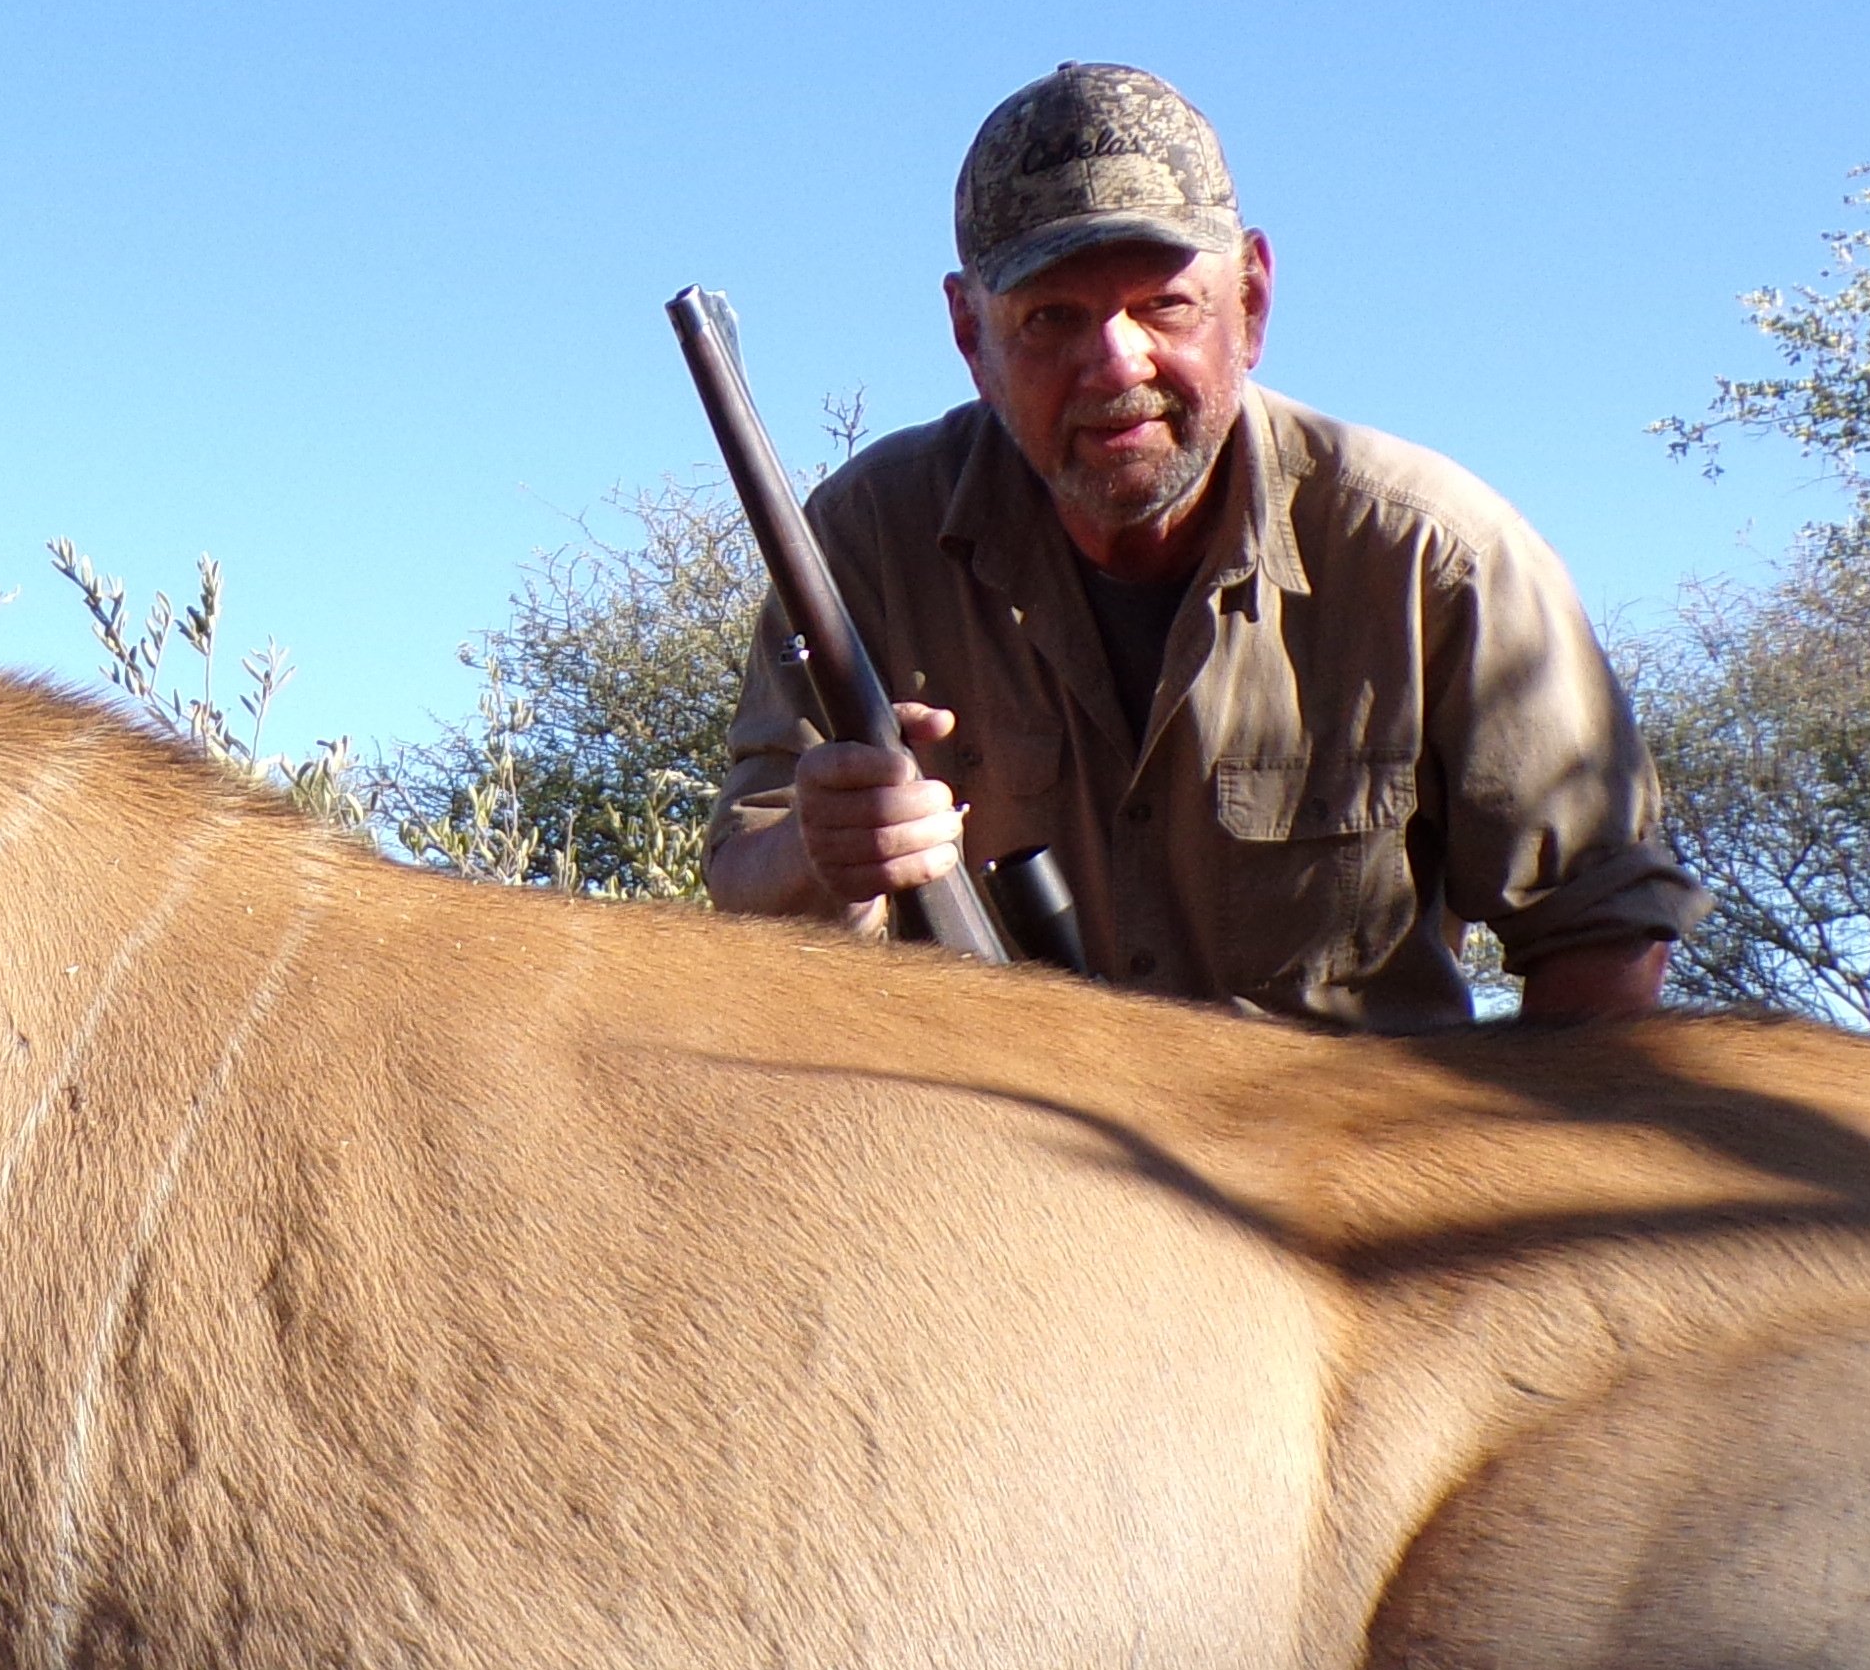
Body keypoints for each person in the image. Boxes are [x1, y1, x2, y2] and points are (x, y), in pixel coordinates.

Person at [703, 63, 1699, 1030]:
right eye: (1051, 318)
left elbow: (1603, 939)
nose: (1114, 361)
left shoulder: (1437, 557)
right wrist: (818, 852)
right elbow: (749, 886)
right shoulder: (868, 536)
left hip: (1327, 1181)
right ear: (971, 334)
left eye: (1163, 305)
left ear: (1252, 300)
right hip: (994, 1171)